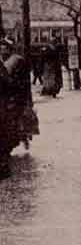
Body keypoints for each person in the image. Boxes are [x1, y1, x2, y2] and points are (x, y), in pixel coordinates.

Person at [0, 37, 30, 179]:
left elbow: (10, 83)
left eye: (4, 47)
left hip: (10, 101)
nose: (2, 50)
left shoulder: (14, 61)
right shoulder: (6, 63)